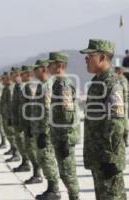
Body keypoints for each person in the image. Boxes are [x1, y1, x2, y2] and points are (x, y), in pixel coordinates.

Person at [81, 39, 127, 200]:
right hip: (97, 155)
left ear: (102, 58)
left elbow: (116, 122)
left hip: (107, 157)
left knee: (113, 196)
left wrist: (111, 157)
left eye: (89, 56)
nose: (86, 60)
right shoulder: (97, 82)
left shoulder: (112, 83)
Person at [47, 52, 80, 200]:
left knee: (68, 172)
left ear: (59, 65)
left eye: (51, 64)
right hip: (59, 135)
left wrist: (66, 138)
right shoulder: (57, 83)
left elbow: (68, 113)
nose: (48, 67)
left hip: (64, 136)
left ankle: (75, 197)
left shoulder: (63, 85)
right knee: (64, 172)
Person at [32, 60, 61, 200]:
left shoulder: (47, 86)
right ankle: (50, 188)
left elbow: (48, 111)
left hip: (46, 131)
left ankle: (54, 190)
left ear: (43, 69)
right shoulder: (41, 86)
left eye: (36, 69)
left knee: (48, 158)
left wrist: (44, 132)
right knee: (43, 158)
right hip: (40, 129)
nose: (34, 72)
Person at [19, 65, 43, 184]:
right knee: (29, 149)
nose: (20, 76)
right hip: (28, 123)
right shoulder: (28, 87)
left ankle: (37, 174)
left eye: (22, 74)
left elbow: (32, 107)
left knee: (32, 150)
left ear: (28, 74)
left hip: (31, 124)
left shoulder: (30, 87)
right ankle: (35, 172)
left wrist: (30, 125)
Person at [11, 67, 31, 172]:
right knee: (19, 141)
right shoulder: (17, 87)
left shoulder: (23, 87)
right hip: (18, 119)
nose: (12, 77)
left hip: (23, 120)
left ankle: (26, 162)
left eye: (14, 75)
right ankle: (24, 161)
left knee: (23, 142)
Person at [0, 71, 20, 162]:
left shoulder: (10, 88)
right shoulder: (6, 88)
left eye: (3, 78)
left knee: (12, 135)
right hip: (6, 115)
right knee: (9, 134)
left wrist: (10, 117)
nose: (2, 80)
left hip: (10, 116)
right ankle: (13, 149)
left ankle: (16, 153)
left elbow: (12, 104)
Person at [115, 66, 129, 147]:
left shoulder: (122, 79)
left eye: (116, 71)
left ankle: (126, 139)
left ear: (119, 72)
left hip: (123, 103)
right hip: (120, 102)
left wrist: (122, 102)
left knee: (124, 120)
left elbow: (124, 91)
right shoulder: (118, 79)